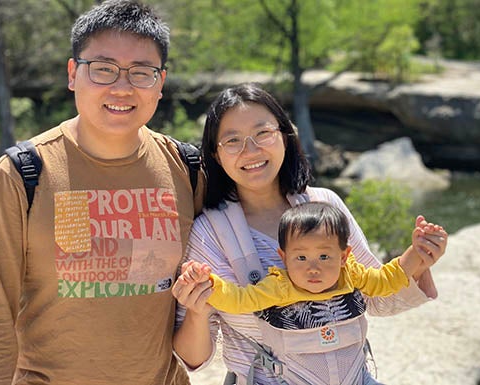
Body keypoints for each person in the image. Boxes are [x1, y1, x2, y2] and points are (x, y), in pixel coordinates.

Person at [0, 1, 202, 384]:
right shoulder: (20, 175)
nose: (122, 87)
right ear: (73, 74)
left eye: (141, 72)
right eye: (103, 69)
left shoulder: (187, 169)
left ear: (161, 83)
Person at [172, 83, 448, 384]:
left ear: (285, 137)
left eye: (262, 133)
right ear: (216, 154)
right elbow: (194, 359)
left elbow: (377, 297)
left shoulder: (325, 206)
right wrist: (197, 310)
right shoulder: (209, 233)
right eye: (233, 141)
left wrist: (419, 258)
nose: (250, 150)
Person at [179, 202, 446, 314]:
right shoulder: (280, 286)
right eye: (301, 258)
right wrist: (209, 281)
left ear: (344, 256)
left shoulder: (350, 274)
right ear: (283, 258)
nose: (313, 268)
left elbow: (387, 281)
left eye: (324, 256)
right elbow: (239, 301)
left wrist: (417, 252)